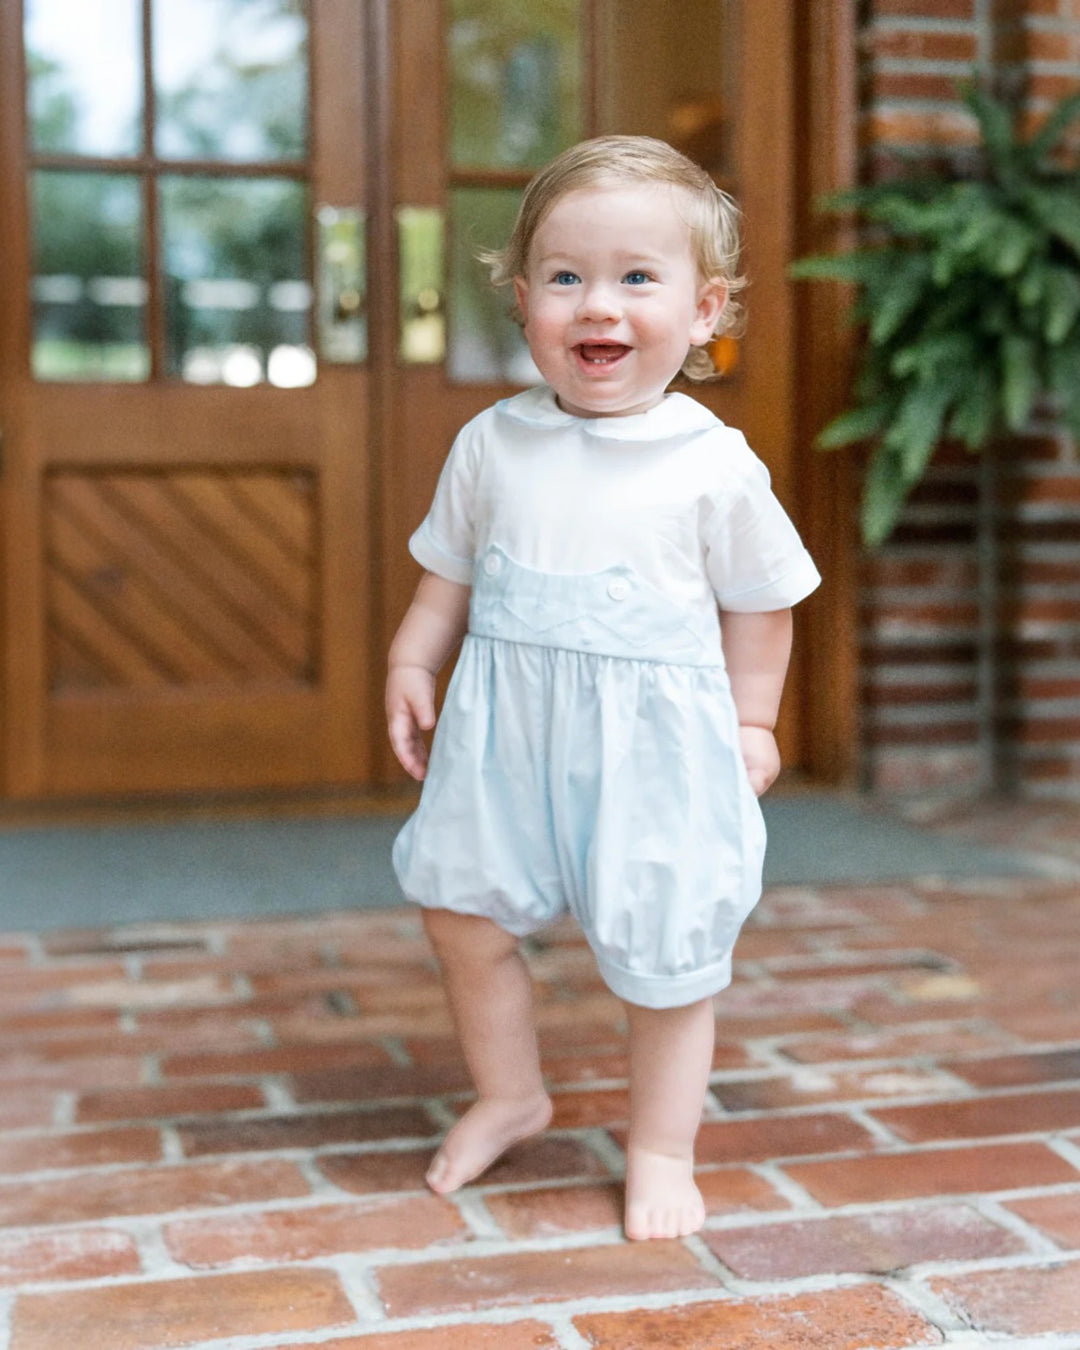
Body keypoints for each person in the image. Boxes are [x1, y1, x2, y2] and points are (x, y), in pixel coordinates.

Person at [386, 135, 820, 1241]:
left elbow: (761, 602)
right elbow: (448, 576)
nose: (600, 306)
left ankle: (664, 1146)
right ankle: (509, 1092)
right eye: (568, 277)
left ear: (706, 307)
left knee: (668, 954)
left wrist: (755, 718)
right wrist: (410, 661)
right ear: (525, 299)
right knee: (458, 908)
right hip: (505, 737)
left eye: (638, 277)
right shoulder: (493, 444)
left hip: (659, 751)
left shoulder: (710, 461)